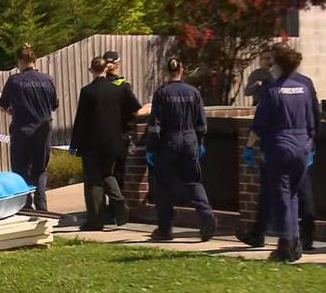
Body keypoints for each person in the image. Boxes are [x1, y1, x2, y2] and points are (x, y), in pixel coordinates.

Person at [237, 45, 321, 251]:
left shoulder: (272, 89)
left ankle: (287, 243)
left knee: (283, 196)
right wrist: (311, 144)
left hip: (279, 147)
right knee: (293, 194)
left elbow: (259, 124)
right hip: (302, 145)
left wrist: (249, 147)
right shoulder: (304, 86)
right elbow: (314, 119)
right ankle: (296, 239)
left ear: (279, 64)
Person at [70, 57, 151, 231]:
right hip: (114, 142)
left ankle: (95, 220)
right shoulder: (118, 90)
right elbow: (133, 112)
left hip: (92, 143)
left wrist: (74, 143)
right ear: (106, 70)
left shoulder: (87, 91)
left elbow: (81, 120)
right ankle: (119, 201)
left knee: (93, 181)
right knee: (107, 174)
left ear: (91, 70)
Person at [146, 58, 217, 242]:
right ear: (182, 70)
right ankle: (206, 214)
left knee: (164, 186)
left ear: (166, 72)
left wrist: (151, 148)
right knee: (193, 181)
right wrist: (200, 141)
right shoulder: (193, 92)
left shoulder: (161, 93)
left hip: (169, 141)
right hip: (190, 140)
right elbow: (202, 122)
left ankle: (165, 229)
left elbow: (155, 124)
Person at [0, 43, 59, 212]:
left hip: (22, 130)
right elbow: (54, 105)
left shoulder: (14, 80)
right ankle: (42, 205)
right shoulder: (47, 80)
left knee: (20, 167)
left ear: (20, 62)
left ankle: (25, 204)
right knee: (40, 168)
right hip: (43, 130)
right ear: (35, 60)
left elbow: (3, 104)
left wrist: (9, 109)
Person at [102, 50, 134, 223]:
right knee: (118, 174)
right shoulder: (123, 86)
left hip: (103, 137)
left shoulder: (98, 85)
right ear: (118, 64)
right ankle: (117, 208)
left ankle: (109, 209)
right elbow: (134, 111)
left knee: (105, 173)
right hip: (121, 135)